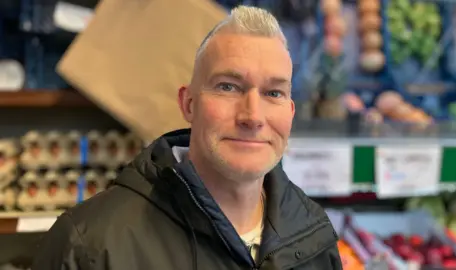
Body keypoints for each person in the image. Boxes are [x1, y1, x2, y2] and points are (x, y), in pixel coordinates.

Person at [32, 5, 342, 270]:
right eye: (228, 87)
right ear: (188, 104)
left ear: (289, 112)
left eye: (273, 92)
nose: (253, 116)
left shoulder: (313, 233)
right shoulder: (90, 246)